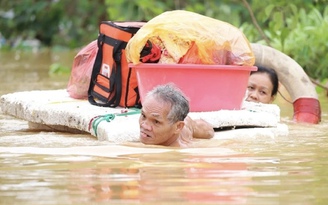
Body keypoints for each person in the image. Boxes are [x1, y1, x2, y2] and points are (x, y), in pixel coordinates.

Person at [139, 83, 214, 147]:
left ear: (178, 127)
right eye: (143, 115)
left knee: (207, 132)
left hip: (188, 125)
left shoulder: (182, 150)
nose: (144, 126)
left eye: (156, 121)